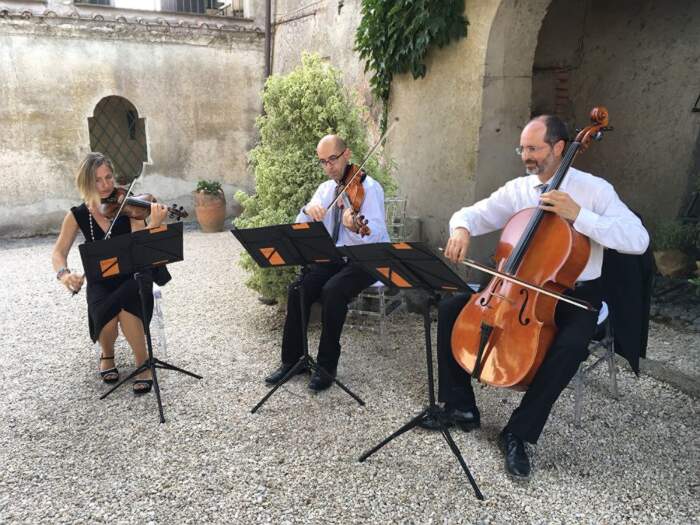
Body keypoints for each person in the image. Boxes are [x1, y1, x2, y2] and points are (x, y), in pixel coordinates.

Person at [421, 115, 649, 480]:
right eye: (522, 148)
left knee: (572, 345)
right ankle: (460, 407)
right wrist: (461, 228)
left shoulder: (595, 190)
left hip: (577, 292)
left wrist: (580, 216)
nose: (525, 156)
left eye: (533, 148)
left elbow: (638, 240)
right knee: (451, 307)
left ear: (559, 147)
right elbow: (473, 213)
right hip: (518, 285)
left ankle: (519, 432)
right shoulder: (519, 189)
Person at [264, 135, 390, 391]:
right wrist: (308, 211)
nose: (328, 167)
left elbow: (374, 234)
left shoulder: (371, 189)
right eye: (323, 162)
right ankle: (294, 360)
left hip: (365, 258)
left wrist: (353, 226)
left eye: (332, 159)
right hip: (334, 257)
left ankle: (326, 366)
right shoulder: (325, 190)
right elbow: (302, 226)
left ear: (347, 154)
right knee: (298, 289)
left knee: (333, 291)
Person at [51, 152, 169, 395]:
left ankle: (143, 362)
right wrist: (64, 274)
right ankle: (107, 354)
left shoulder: (130, 207)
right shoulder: (77, 215)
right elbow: (58, 253)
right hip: (101, 278)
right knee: (106, 314)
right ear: (86, 183)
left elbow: (141, 246)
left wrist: (155, 224)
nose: (106, 185)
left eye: (109, 177)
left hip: (134, 274)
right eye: (98, 180)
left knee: (126, 307)